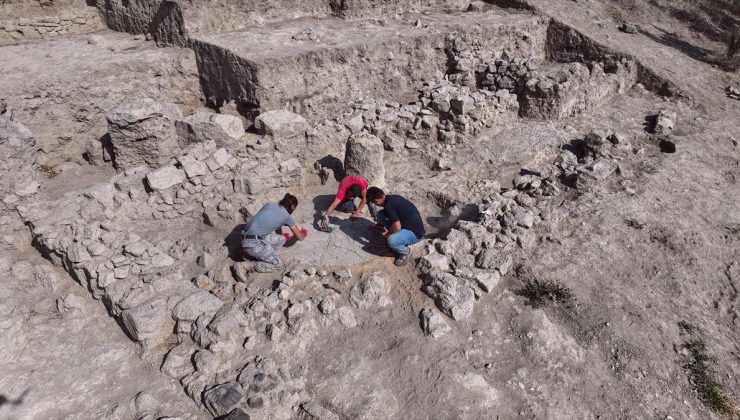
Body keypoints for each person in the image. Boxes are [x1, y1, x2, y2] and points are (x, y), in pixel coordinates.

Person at [239, 193, 307, 273]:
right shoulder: (287, 216)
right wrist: (304, 232)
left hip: (244, 238)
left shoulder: (269, 205)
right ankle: (245, 266)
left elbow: (271, 222)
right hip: (253, 243)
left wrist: (282, 235)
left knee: (282, 238)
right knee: (278, 265)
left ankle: (251, 254)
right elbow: (300, 237)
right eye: (294, 209)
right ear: (292, 206)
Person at [366, 187, 425, 267]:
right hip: (409, 225)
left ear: (376, 201)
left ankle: (405, 252)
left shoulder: (389, 206)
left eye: (374, 203)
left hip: (416, 234)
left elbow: (397, 227)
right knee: (380, 214)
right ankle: (384, 228)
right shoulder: (392, 198)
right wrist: (380, 226)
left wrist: (386, 236)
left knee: (391, 241)